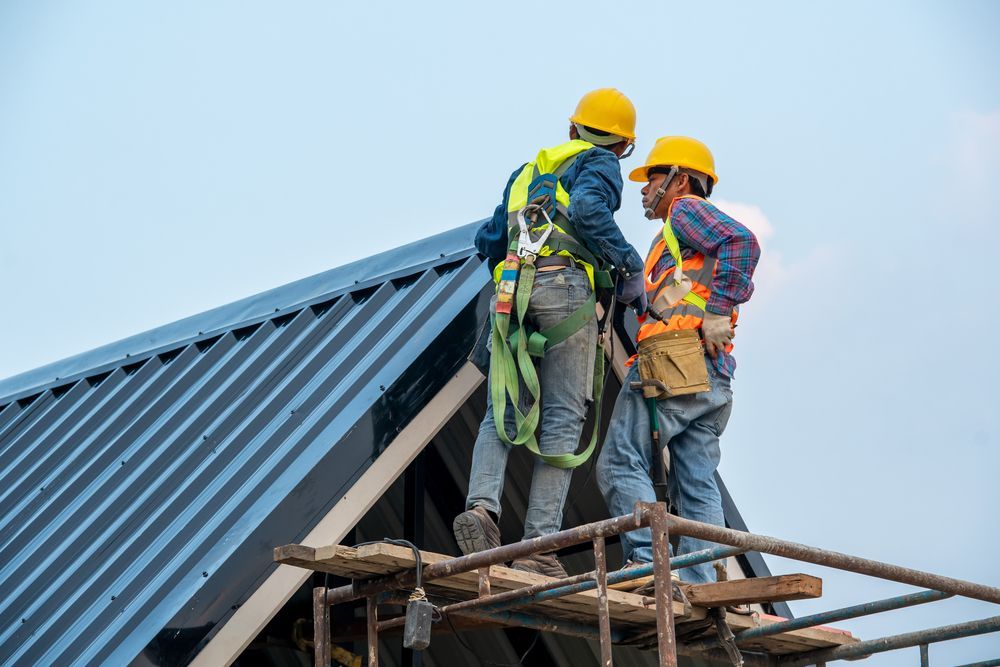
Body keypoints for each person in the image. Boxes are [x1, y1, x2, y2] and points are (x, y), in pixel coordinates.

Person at [453, 89, 646, 577]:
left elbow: (491, 239)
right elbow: (588, 210)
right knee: (561, 416)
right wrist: (628, 266)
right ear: (622, 145)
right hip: (565, 289)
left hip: (514, 290)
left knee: (504, 406)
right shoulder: (599, 162)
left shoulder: (527, 171)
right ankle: (539, 544)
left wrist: (519, 274)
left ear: (571, 128)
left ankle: (481, 509)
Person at [596, 136, 760, 594]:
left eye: (652, 179)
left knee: (618, 461)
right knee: (695, 481)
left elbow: (743, 243)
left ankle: (648, 566)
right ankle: (700, 580)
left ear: (680, 179)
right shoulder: (674, 239)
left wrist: (716, 310)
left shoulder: (685, 211)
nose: (645, 190)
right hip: (711, 373)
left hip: (676, 359)